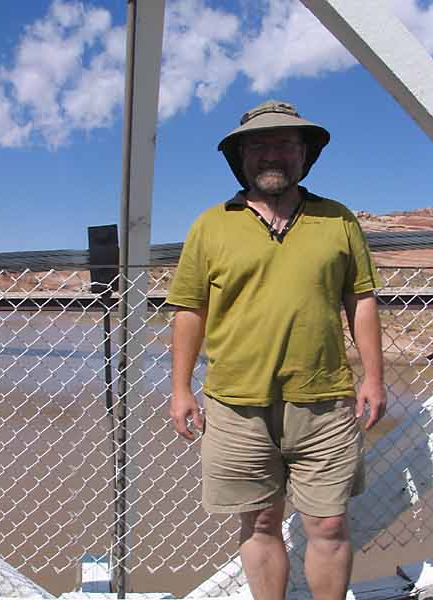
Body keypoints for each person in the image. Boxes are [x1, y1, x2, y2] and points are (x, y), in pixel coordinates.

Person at [163, 100, 391, 600]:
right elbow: (189, 310)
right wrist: (180, 389)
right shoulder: (210, 225)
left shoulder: (338, 220)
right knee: (261, 523)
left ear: (304, 154)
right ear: (241, 156)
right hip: (235, 404)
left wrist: (374, 378)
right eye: (260, 144)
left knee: (329, 526)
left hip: (325, 399)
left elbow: (361, 300)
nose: (272, 154)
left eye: (285, 143)